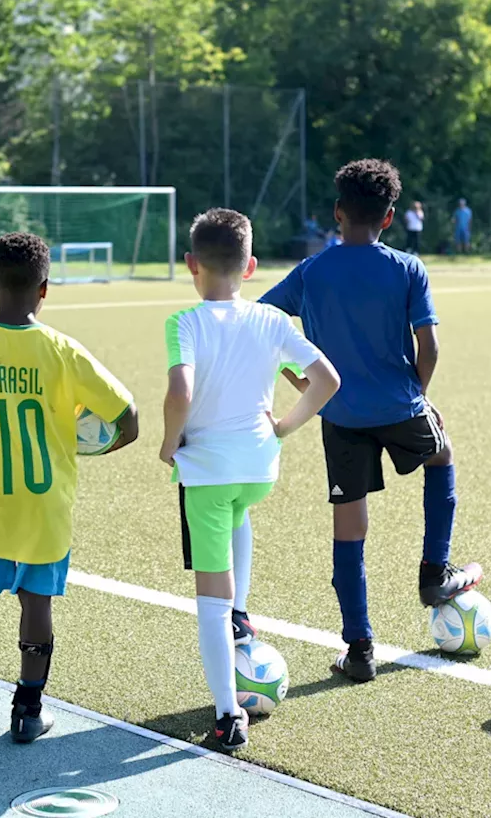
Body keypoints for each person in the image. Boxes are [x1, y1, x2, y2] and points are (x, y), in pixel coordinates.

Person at [260, 159, 482, 684]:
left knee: (350, 525)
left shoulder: (312, 271)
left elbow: (263, 323)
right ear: (389, 218)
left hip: (339, 415)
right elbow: (428, 345)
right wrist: (420, 397)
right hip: (400, 405)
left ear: (338, 213)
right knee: (442, 453)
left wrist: (302, 382)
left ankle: (359, 650)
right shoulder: (407, 268)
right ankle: (433, 574)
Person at [0, 232, 139, 745]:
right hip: (46, 508)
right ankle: (27, 709)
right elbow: (128, 418)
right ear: (45, 289)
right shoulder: (63, 351)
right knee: (36, 602)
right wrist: (91, 445)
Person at [163, 209, 338, 751]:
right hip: (259, 468)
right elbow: (326, 380)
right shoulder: (270, 320)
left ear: (191, 263)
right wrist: (285, 425)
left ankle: (227, 713)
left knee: (208, 601)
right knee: (241, 511)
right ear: (252, 267)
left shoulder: (184, 322)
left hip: (209, 473)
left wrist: (170, 442)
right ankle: (242, 612)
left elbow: (181, 393)